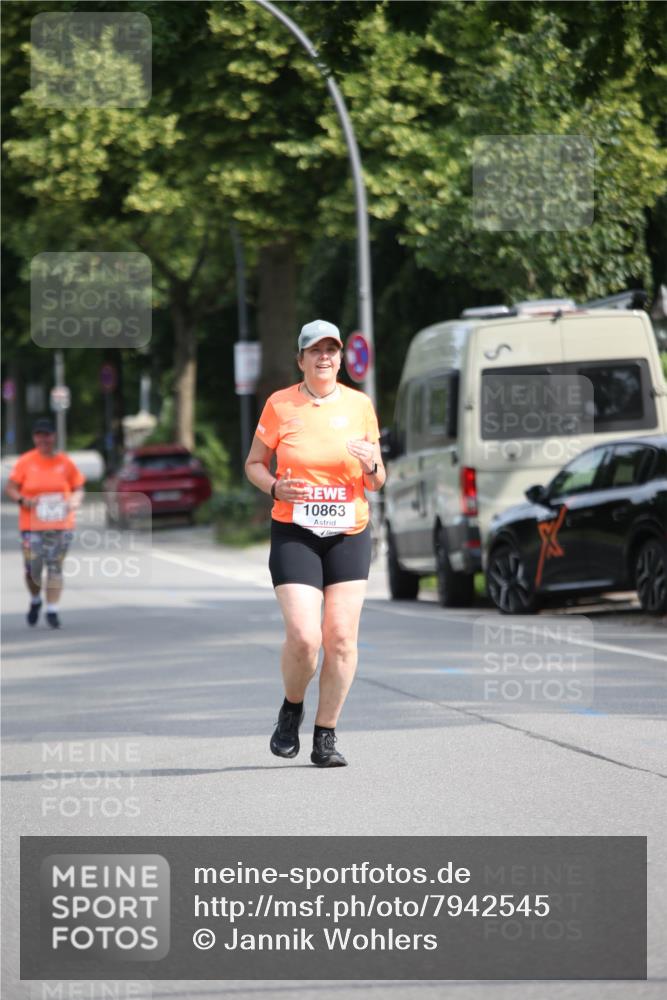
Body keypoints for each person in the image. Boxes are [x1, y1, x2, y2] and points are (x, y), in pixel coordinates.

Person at [245, 319, 386, 768]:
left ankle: (325, 736)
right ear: (301, 358)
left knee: (341, 638)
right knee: (306, 638)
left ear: (341, 357)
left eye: (332, 349)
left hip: (349, 531)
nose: (324, 357)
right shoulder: (279, 404)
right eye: (315, 350)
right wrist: (273, 488)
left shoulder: (361, 405)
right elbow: (253, 464)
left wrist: (370, 468)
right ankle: (292, 708)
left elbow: (379, 480)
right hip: (296, 532)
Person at [5, 417, 85, 629]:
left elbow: (78, 487)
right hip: (32, 525)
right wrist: (24, 500)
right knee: (32, 569)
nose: (44, 439)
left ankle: (52, 609)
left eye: (47, 435)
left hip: (61, 524)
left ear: (54, 436)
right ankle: (35, 600)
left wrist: (75, 500)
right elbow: (11, 488)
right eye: (39, 435)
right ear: (34, 438)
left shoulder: (65, 462)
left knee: (55, 567)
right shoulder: (26, 461)